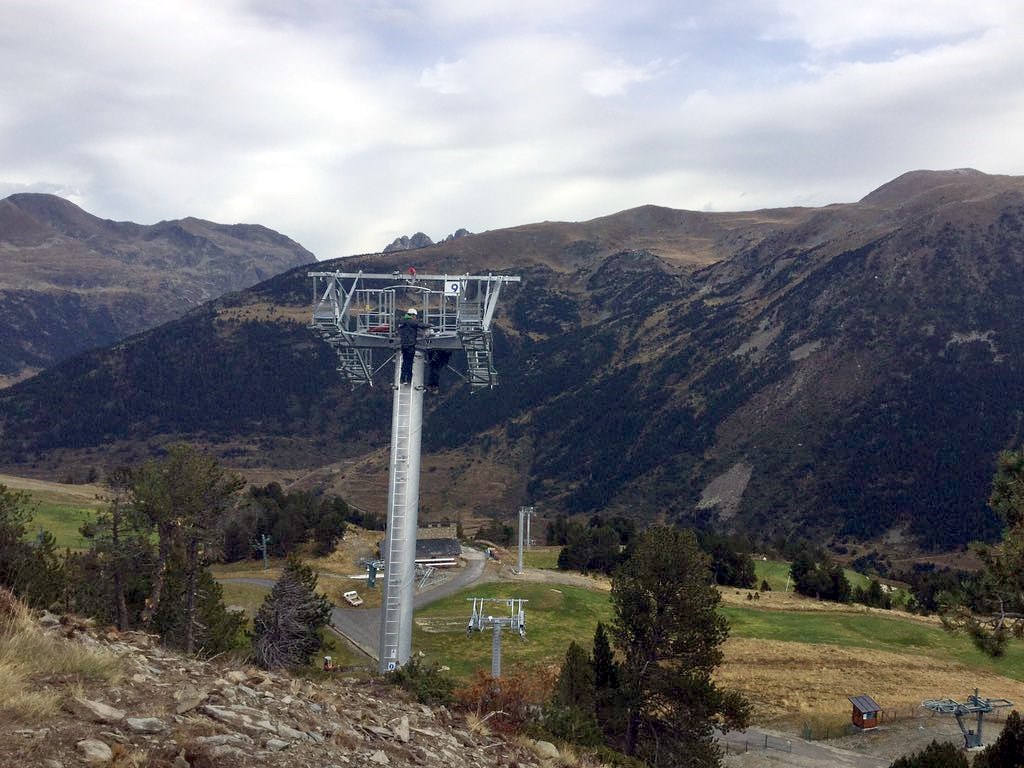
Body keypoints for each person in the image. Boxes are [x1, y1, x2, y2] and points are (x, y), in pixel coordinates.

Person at [397, 308, 428, 384]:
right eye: (415, 316)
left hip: (404, 345)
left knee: (405, 362)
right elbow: (420, 325)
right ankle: (408, 380)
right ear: (412, 315)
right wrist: (429, 325)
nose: (415, 317)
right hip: (410, 345)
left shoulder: (402, 321)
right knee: (409, 362)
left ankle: (402, 379)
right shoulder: (411, 321)